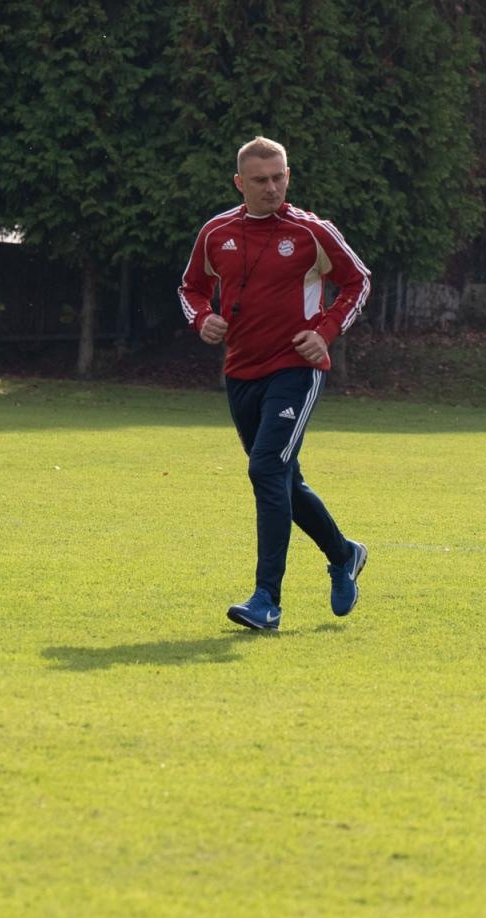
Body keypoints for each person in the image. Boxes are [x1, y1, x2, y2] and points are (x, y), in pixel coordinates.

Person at [177, 136, 372, 631]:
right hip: (241, 373)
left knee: (265, 469)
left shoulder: (312, 232)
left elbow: (358, 281)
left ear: (288, 175)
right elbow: (190, 288)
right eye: (260, 180)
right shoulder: (216, 232)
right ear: (240, 183)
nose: (272, 188)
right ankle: (343, 552)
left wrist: (324, 332)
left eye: (279, 177)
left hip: (296, 370)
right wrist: (203, 319)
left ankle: (267, 599)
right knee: (283, 478)